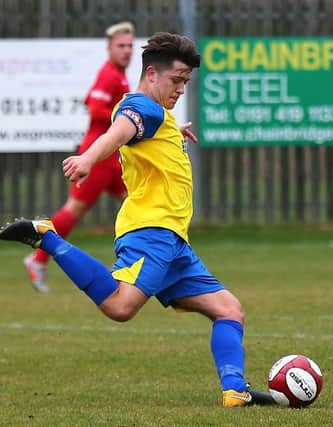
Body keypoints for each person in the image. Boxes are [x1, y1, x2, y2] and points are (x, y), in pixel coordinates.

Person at [0, 32, 275, 407]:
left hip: (174, 241)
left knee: (229, 309)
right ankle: (47, 238)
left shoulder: (158, 116)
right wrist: (87, 160)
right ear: (151, 74)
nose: (181, 89)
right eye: (176, 80)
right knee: (120, 306)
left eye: (186, 83)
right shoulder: (140, 107)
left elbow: (141, 133)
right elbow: (119, 131)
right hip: (151, 232)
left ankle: (235, 391)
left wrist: (171, 131)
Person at [24, 21, 135, 293]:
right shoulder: (110, 75)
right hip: (98, 155)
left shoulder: (117, 75)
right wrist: (123, 115)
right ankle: (38, 258)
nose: (127, 51)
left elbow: (89, 99)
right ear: (109, 48)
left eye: (130, 45)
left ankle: (130, 260)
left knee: (134, 202)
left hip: (111, 155)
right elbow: (96, 108)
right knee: (75, 208)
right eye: (120, 46)